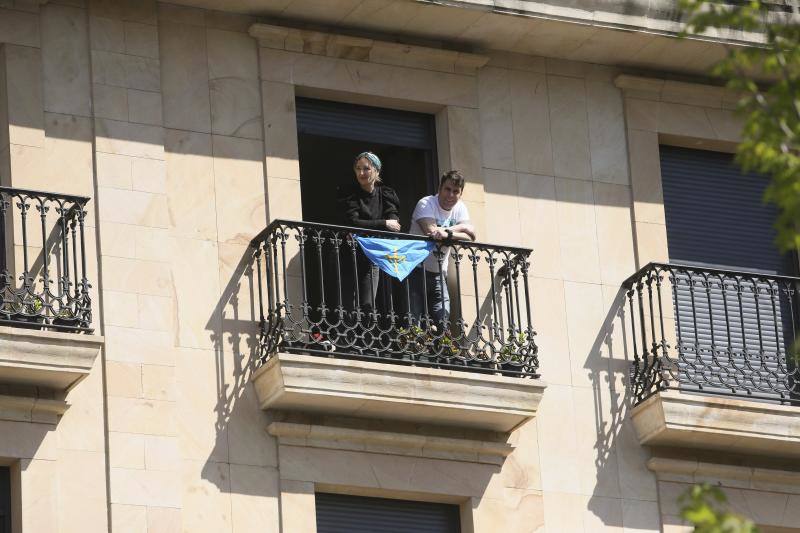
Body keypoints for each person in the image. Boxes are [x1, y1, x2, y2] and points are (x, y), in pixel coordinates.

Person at [337, 151, 401, 322]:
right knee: (347, 303)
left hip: (372, 256)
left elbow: (393, 219)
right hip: (348, 254)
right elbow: (353, 221)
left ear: (377, 171)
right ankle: (347, 341)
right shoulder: (350, 193)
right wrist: (384, 223)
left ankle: (365, 344)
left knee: (367, 303)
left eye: (366, 168)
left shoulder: (385, 194)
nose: (361, 173)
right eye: (358, 169)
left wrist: (391, 222)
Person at [409, 170, 475, 329]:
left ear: (460, 194)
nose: (451, 195)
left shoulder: (460, 208)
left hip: (439, 272)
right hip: (416, 270)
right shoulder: (426, 203)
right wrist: (462, 228)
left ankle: (442, 351)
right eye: (447, 189)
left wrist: (448, 231)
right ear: (439, 188)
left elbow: (471, 236)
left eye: (456, 191)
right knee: (413, 319)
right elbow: (432, 232)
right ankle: (411, 351)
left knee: (443, 319)